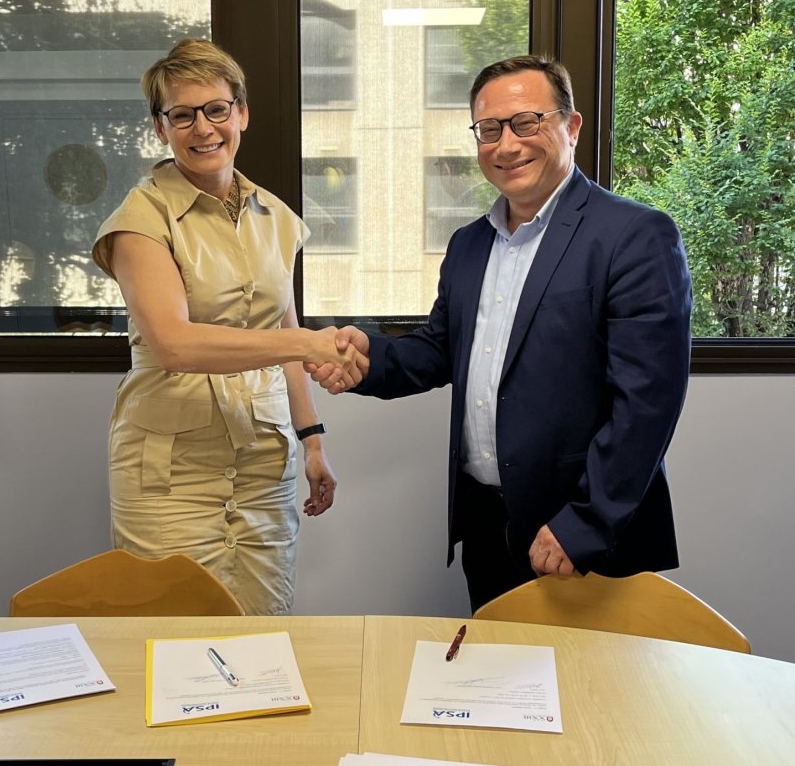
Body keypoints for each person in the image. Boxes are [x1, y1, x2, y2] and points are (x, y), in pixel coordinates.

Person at [309, 55, 693, 612]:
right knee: (503, 693)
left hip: (586, 535)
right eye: (489, 130)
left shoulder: (634, 235)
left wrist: (584, 523)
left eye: (526, 122)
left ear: (571, 126)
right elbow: (439, 349)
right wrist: (370, 358)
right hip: (488, 526)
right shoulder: (470, 243)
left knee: (595, 697)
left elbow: (648, 402)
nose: (506, 144)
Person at [92, 38, 366, 615]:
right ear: (160, 128)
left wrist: (313, 441)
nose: (203, 128)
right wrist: (305, 341)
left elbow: (285, 329)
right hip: (170, 473)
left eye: (217, 109)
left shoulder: (277, 218)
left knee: (264, 632)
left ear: (241, 112)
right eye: (182, 115)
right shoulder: (139, 220)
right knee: (172, 640)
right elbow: (174, 344)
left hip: (263, 463)